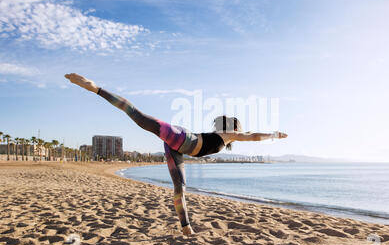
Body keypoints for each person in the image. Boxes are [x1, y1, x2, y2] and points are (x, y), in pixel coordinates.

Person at [64, 73, 288, 235]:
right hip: (181, 139)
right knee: (137, 115)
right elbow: (254, 136)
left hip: (177, 147)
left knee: (180, 188)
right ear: (234, 126)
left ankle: (185, 227)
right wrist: (274, 135)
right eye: (239, 128)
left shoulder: (222, 135)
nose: (241, 132)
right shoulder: (230, 134)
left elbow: (250, 135)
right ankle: (94, 87)